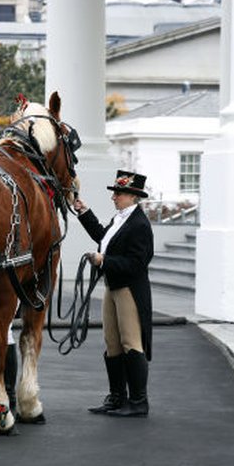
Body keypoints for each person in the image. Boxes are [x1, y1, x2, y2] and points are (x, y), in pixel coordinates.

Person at [73, 170, 153, 417]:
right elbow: (103, 237)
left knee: (131, 343)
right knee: (112, 343)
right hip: (113, 284)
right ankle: (117, 397)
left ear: (132, 196)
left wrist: (103, 260)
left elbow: (137, 263)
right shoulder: (120, 219)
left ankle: (138, 401)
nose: (114, 197)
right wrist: (84, 213)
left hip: (129, 288)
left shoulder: (139, 224)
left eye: (118, 193)